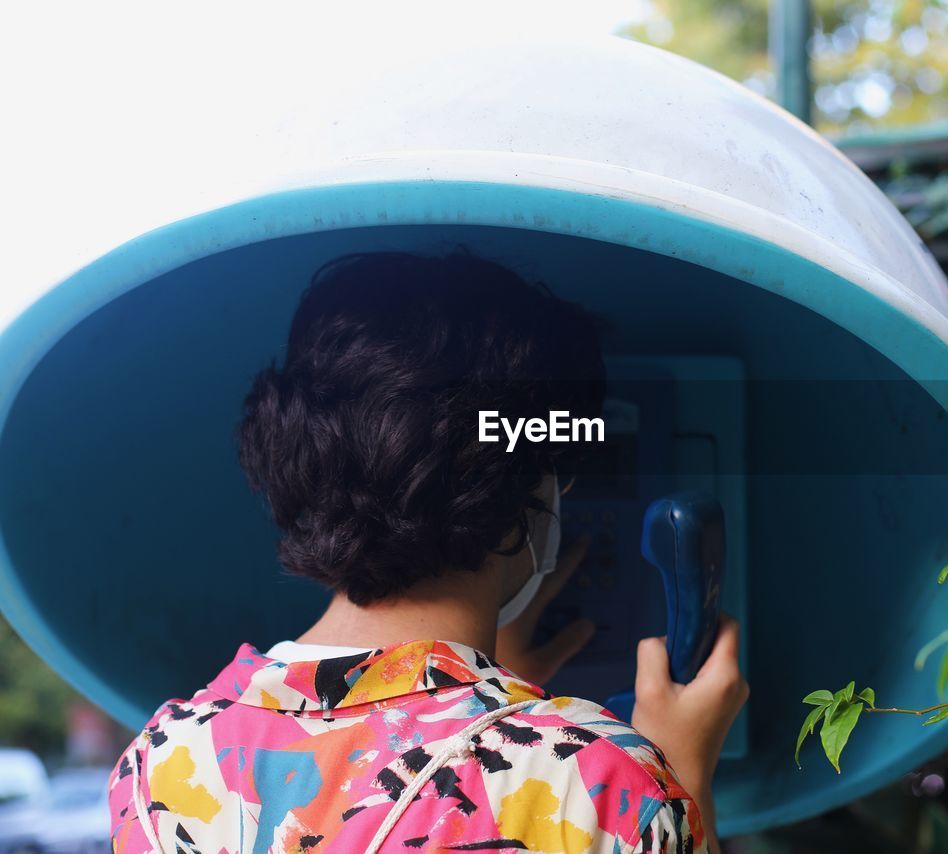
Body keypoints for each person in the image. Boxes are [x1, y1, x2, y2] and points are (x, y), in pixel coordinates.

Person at [106, 251, 748, 853]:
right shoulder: (601, 784)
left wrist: (497, 698)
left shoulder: (156, 762)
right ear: (533, 488)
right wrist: (679, 781)